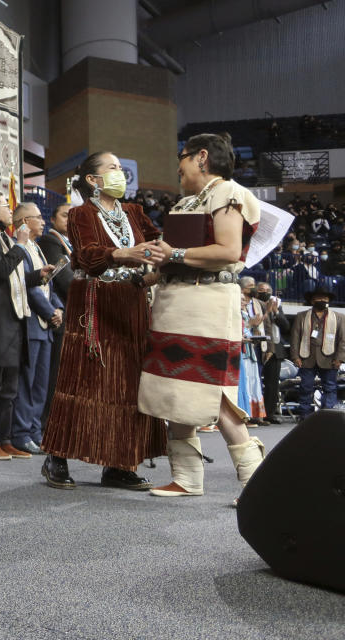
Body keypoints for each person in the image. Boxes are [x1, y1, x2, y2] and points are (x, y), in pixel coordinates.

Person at [139, 132, 266, 501]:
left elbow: (227, 250)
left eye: (182, 156)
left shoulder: (228, 192)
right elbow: (172, 260)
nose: (178, 165)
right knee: (177, 394)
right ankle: (187, 478)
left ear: (202, 157)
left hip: (207, 304)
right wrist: (143, 272)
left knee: (214, 394)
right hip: (177, 304)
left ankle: (255, 483)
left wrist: (174, 255)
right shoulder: (191, 200)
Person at [40, 152, 165, 490]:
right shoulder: (81, 214)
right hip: (94, 303)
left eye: (120, 168)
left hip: (131, 301)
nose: (119, 173)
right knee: (83, 381)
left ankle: (119, 463)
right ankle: (57, 455)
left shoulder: (136, 212)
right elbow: (85, 256)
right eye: (112, 168)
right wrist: (124, 254)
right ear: (93, 181)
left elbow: (159, 243)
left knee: (127, 383)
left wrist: (171, 258)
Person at [0, 192, 51, 461]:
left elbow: (13, 277)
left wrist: (36, 277)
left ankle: (6, 440)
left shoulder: (2, 237)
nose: (10, 210)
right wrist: (20, 244)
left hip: (14, 318)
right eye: (6, 207)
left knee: (9, 387)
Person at [11, 202, 63, 454]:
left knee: (42, 384)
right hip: (31, 322)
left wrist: (58, 307)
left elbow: (48, 283)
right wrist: (49, 310)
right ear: (23, 221)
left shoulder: (38, 249)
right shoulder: (17, 247)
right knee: (27, 383)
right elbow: (28, 285)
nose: (43, 222)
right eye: (38, 218)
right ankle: (21, 433)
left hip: (45, 327)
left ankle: (35, 431)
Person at [37, 203, 75, 438]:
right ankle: (48, 425)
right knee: (55, 376)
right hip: (59, 314)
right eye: (64, 215)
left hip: (72, 315)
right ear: (52, 220)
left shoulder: (72, 244)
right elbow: (63, 277)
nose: (70, 220)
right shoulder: (51, 242)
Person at [290, 286, 345, 417]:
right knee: (305, 388)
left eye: (324, 298)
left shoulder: (339, 317)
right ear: (312, 300)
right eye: (318, 298)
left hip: (330, 359)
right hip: (306, 357)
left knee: (330, 387)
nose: (321, 300)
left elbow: (343, 340)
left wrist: (340, 358)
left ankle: (327, 415)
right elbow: (295, 337)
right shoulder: (302, 316)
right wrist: (295, 356)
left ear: (328, 301)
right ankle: (304, 416)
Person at [256, 282, 289, 424]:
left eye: (268, 290)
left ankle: (269, 413)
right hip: (257, 347)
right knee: (255, 382)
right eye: (262, 290)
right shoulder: (253, 304)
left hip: (275, 349)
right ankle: (254, 413)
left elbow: (286, 326)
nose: (265, 292)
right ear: (256, 292)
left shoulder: (277, 305)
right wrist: (267, 311)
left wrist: (275, 312)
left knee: (272, 384)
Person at [238, 278, 267, 422]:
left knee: (253, 381)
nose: (244, 302)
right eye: (242, 300)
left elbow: (248, 330)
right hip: (240, 352)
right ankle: (244, 414)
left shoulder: (251, 309)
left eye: (244, 301)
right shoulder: (236, 314)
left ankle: (253, 414)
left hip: (250, 351)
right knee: (245, 382)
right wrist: (250, 325)